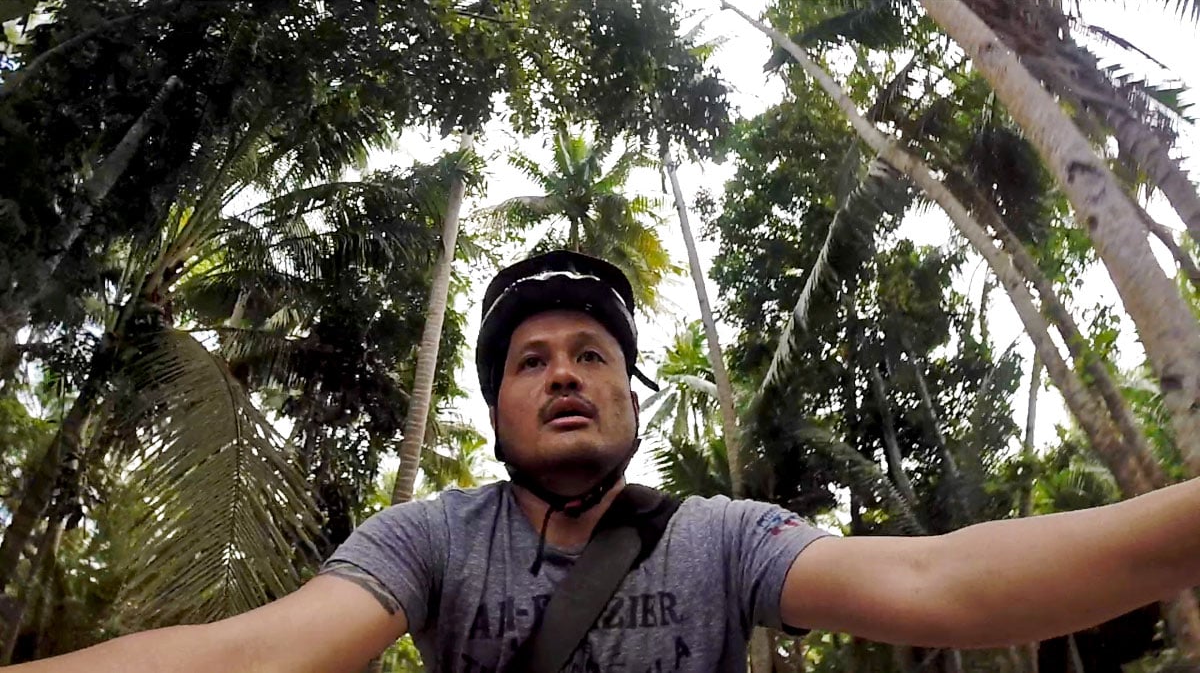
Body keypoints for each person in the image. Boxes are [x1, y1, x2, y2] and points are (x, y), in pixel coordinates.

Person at [9, 249, 1200, 673]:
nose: (565, 372)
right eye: (531, 360)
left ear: (632, 393)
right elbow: (254, 653)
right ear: (496, 408)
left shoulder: (727, 534)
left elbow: (944, 585)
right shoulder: (426, 537)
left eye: (591, 352)